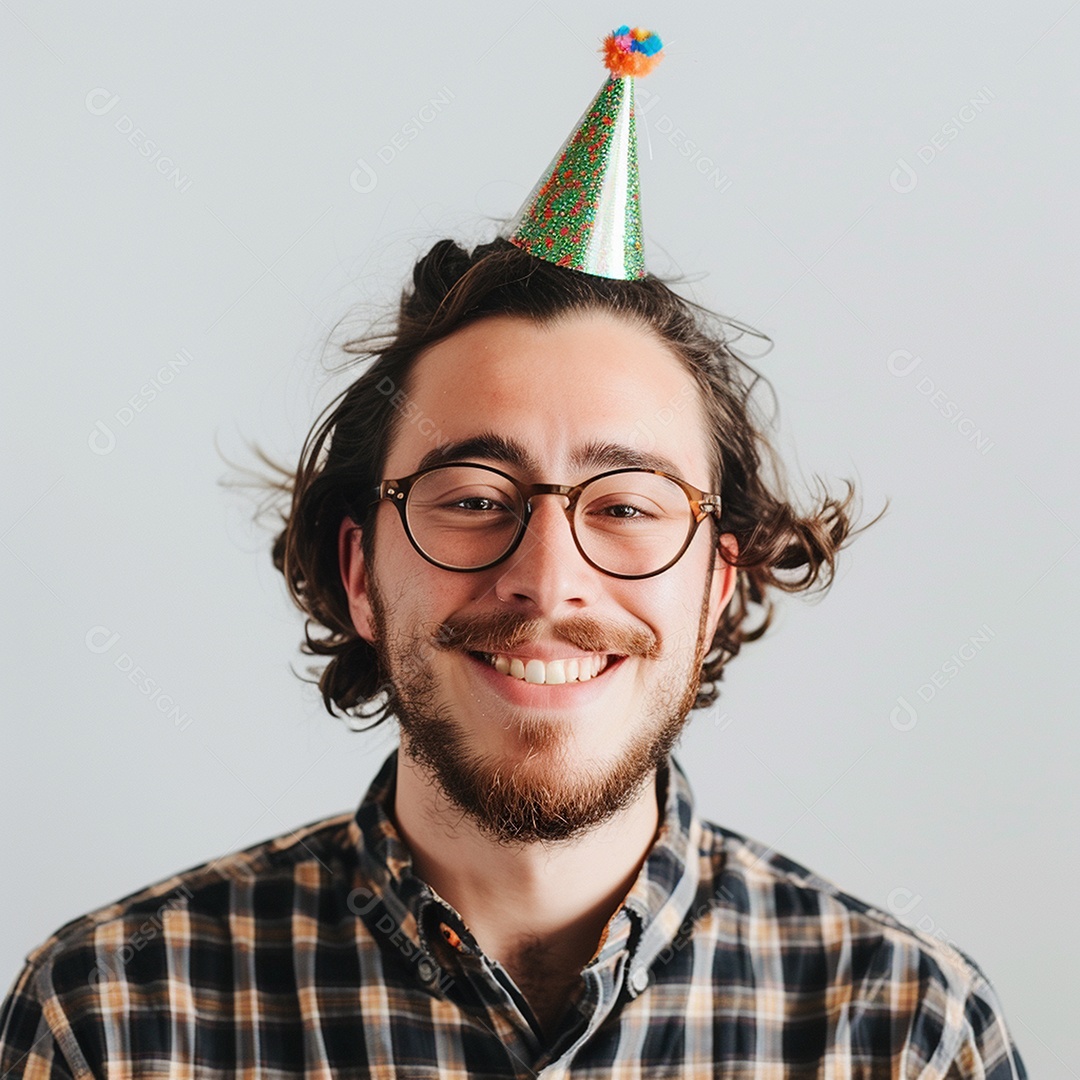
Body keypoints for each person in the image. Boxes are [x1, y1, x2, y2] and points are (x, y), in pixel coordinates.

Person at [0, 27, 1027, 1079]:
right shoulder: (113, 1021)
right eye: (475, 499)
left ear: (717, 586)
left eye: (626, 506)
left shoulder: (906, 1030)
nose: (547, 578)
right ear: (359, 575)